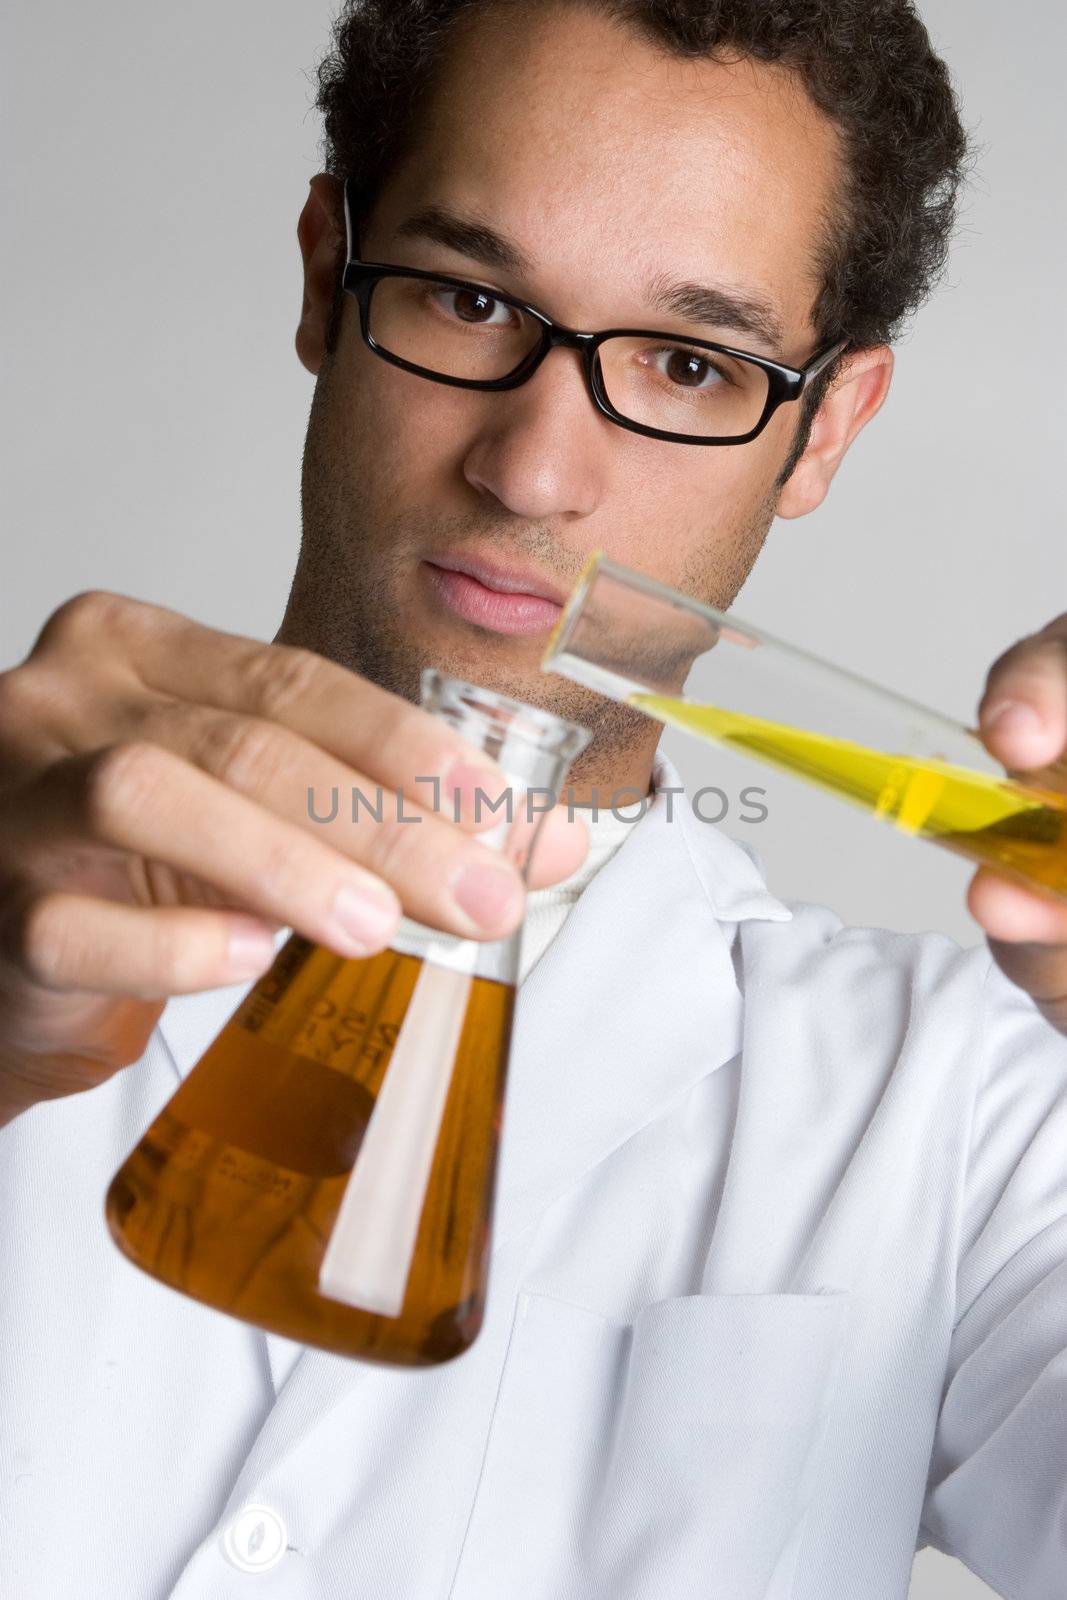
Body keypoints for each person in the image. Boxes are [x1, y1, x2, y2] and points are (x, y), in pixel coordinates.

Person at [1, 1, 1065, 1596]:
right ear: (322, 277)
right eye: (469, 296)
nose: (536, 473)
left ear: (825, 426)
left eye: (693, 363)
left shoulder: (971, 1112)